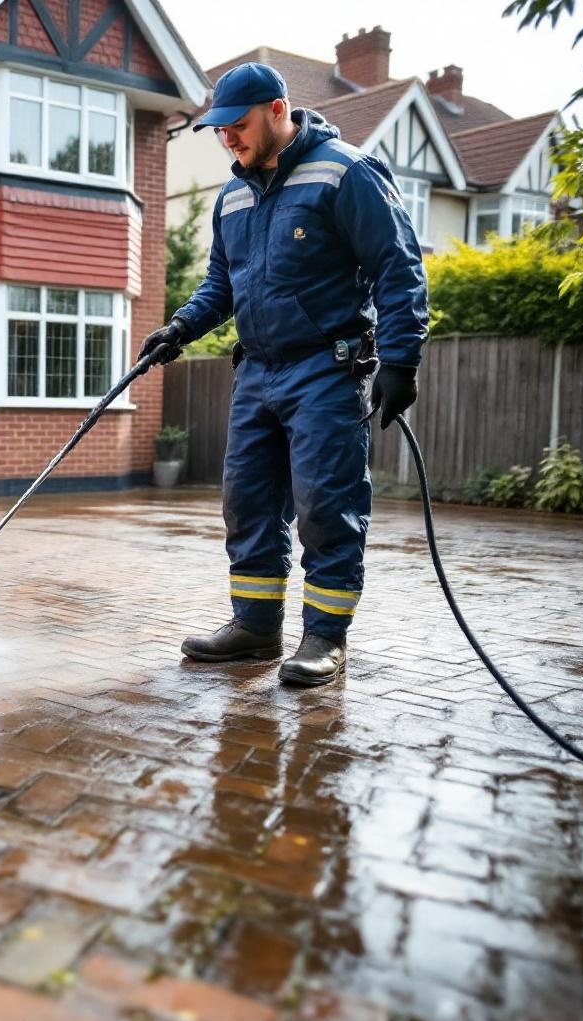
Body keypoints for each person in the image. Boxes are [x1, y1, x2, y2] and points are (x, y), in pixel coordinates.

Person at [140, 62, 427, 686]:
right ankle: (255, 628)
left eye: (238, 127)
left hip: (326, 370)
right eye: (220, 131)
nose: (229, 141)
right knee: (246, 504)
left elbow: (398, 268)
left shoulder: (344, 173)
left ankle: (325, 637)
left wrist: (401, 361)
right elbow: (223, 283)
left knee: (327, 504)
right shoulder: (233, 195)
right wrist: (180, 328)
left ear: (278, 110)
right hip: (258, 374)